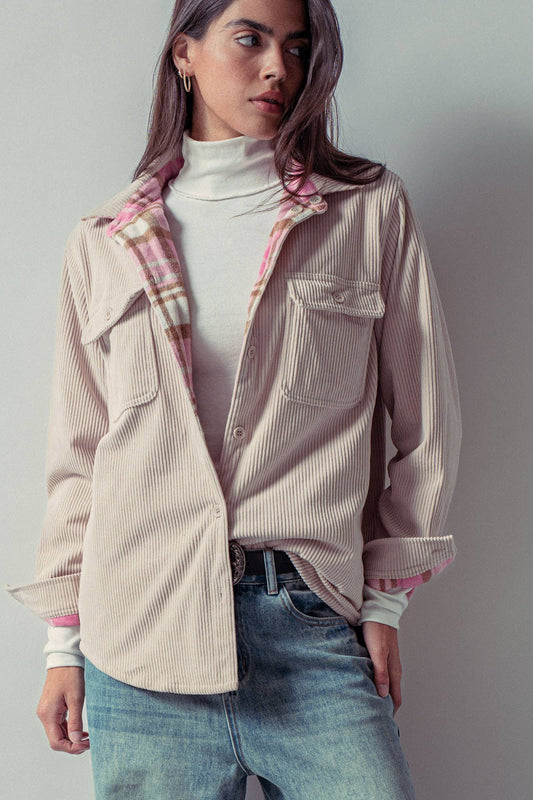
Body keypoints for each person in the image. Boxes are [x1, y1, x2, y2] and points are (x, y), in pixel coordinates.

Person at [5, 0, 461, 797]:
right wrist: (61, 647)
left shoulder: (365, 210)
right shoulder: (105, 240)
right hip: (139, 640)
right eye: (248, 39)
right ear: (184, 54)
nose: (278, 68)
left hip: (311, 626)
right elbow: (79, 461)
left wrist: (383, 605)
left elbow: (426, 424)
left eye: (297, 46)